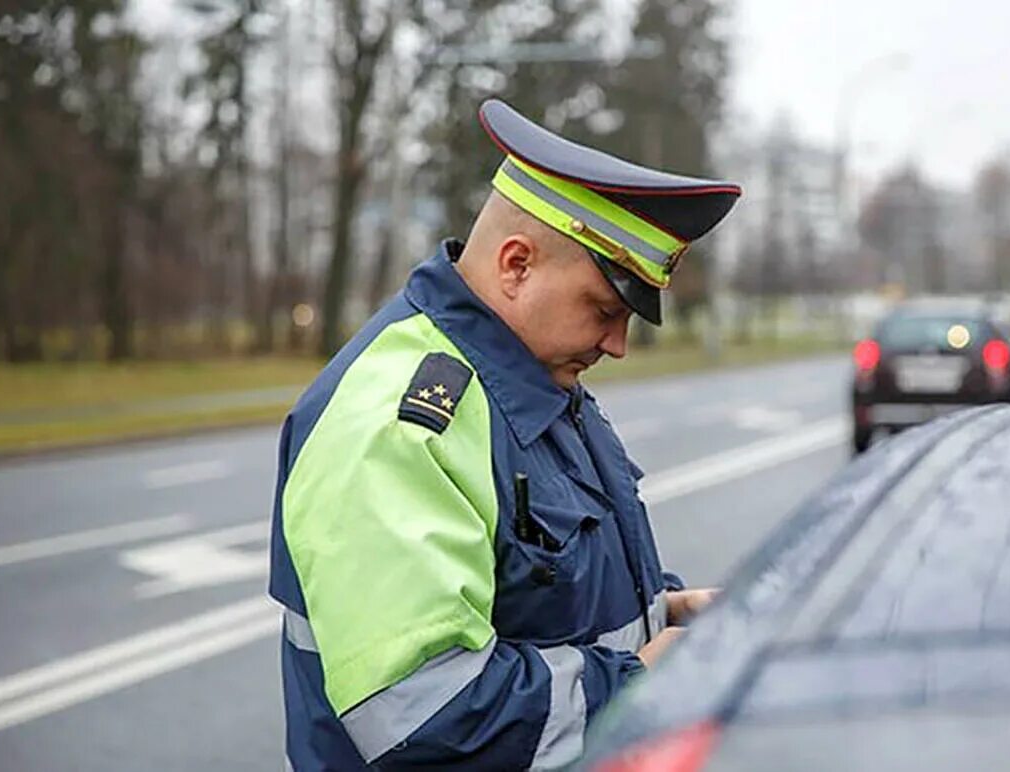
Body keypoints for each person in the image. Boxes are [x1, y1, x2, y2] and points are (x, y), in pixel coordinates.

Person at [268, 98, 742, 770]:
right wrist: (638, 686)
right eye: (605, 309)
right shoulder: (403, 423)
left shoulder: (533, 384)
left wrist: (667, 614)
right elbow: (425, 714)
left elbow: (539, 600)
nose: (617, 345)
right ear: (516, 264)